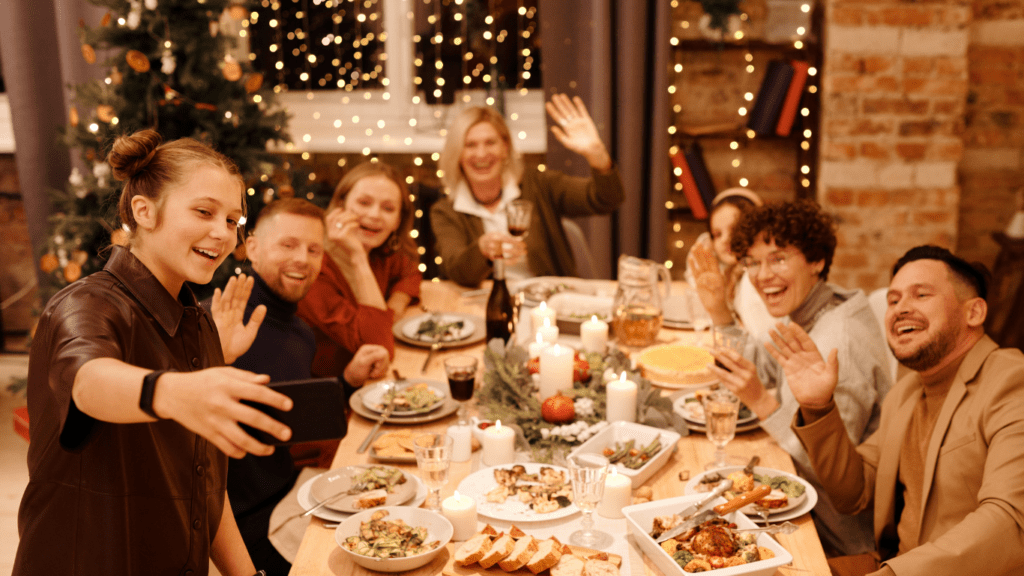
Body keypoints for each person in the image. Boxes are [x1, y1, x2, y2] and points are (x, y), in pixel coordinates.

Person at [15, 129, 293, 575]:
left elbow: (205, 485)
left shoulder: (198, 323)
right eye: (204, 211)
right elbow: (88, 382)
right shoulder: (86, 304)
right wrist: (170, 392)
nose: (221, 234)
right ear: (144, 212)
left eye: (232, 221)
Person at [776, 245, 1024, 576]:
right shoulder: (906, 393)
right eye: (893, 300)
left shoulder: (1012, 381)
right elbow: (854, 493)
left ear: (974, 312)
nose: (900, 309)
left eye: (921, 295)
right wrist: (819, 407)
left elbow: (1010, 521)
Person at [708, 199, 893, 557]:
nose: (762, 276)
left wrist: (763, 402)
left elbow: (832, 476)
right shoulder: (816, 307)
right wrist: (719, 309)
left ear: (816, 260)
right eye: (753, 263)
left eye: (778, 259)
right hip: (806, 506)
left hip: (838, 538)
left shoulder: (837, 341)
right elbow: (763, 366)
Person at [214, 198, 389, 575]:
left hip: (290, 491)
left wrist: (346, 382)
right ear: (253, 248)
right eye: (288, 245)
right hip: (246, 528)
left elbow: (288, 411)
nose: (303, 259)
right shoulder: (223, 322)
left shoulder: (297, 330)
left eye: (314, 250)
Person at [431, 94, 625, 286]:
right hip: (488, 304)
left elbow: (606, 199)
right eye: (470, 145)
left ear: (505, 148)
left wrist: (597, 156)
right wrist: (482, 250)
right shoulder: (446, 211)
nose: (481, 154)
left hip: (548, 303)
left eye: (490, 142)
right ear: (458, 153)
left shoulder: (539, 184)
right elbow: (456, 271)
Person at [297, 161, 421, 380]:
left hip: (368, 381)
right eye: (364, 203)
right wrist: (358, 258)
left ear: (398, 220)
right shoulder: (312, 266)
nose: (374, 214)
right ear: (341, 205)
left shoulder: (379, 249)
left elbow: (410, 271)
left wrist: (395, 306)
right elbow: (378, 347)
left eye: (388, 208)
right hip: (329, 391)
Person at [685, 187, 775, 339]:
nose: (725, 239)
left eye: (734, 229)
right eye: (717, 234)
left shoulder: (754, 280)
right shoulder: (726, 274)